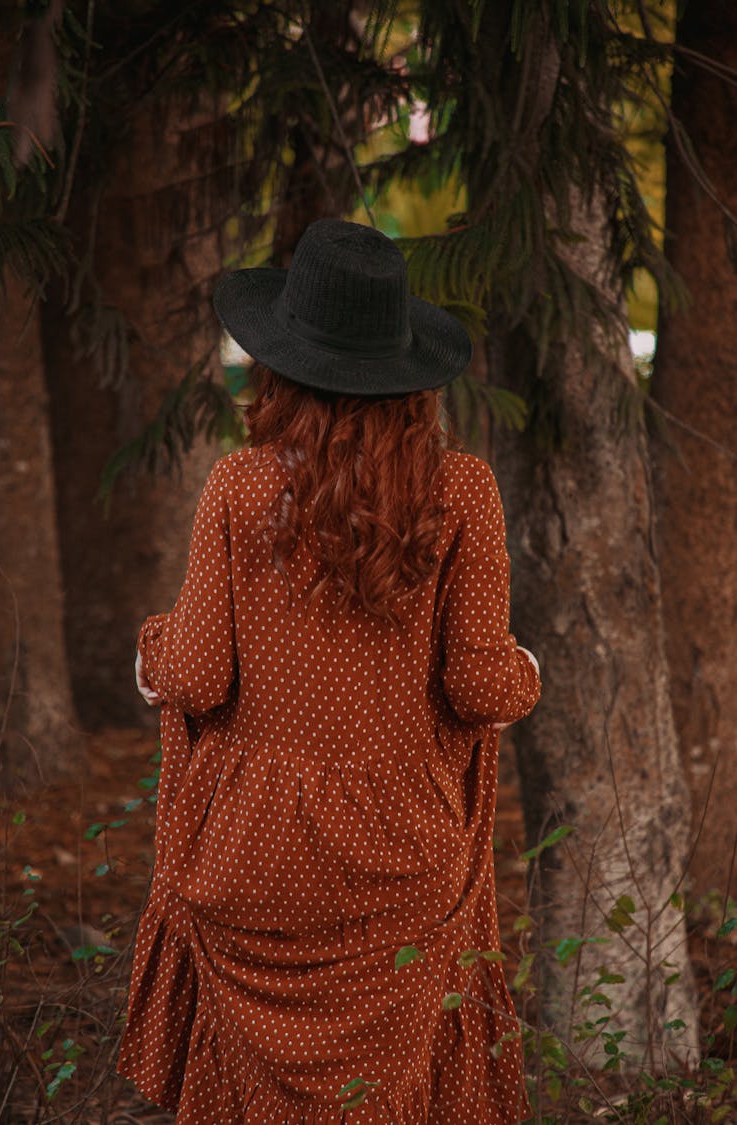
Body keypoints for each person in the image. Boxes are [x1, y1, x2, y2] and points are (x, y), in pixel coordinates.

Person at [116, 218, 541, 1124]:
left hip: (255, 858)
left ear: (281, 364)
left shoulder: (238, 484)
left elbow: (193, 676)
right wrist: (526, 670)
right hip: (403, 859)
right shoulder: (463, 489)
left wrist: (152, 653)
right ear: (408, 370)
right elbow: (480, 689)